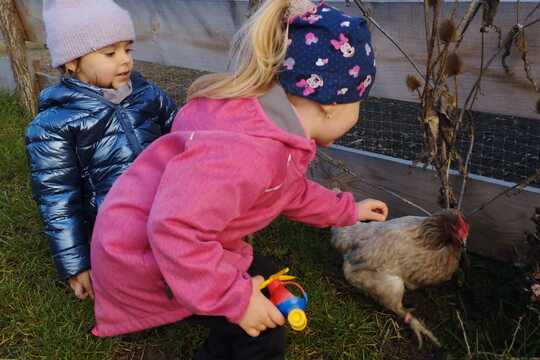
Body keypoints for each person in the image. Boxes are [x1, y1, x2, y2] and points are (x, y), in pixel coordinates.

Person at [90, 1, 388, 359]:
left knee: (267, 276)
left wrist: (347, 210)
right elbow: (175, 230)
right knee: (264, 327)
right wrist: (237, 300)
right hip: (142, 263)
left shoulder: (264, 123)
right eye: (360, 103)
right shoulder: (248, 154)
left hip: (165, 241)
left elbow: (288, 190)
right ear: (332, 104)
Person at [25, 0, 177, 301]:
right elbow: (57, 199)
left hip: (167, 209)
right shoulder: (53, 126)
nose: (124, 61)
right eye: (110, 53)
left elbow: (182, 135)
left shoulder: (148, 95)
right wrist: (76, 263)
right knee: (135, 291)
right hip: (113, 230)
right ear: (72, 61)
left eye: (127, 49)